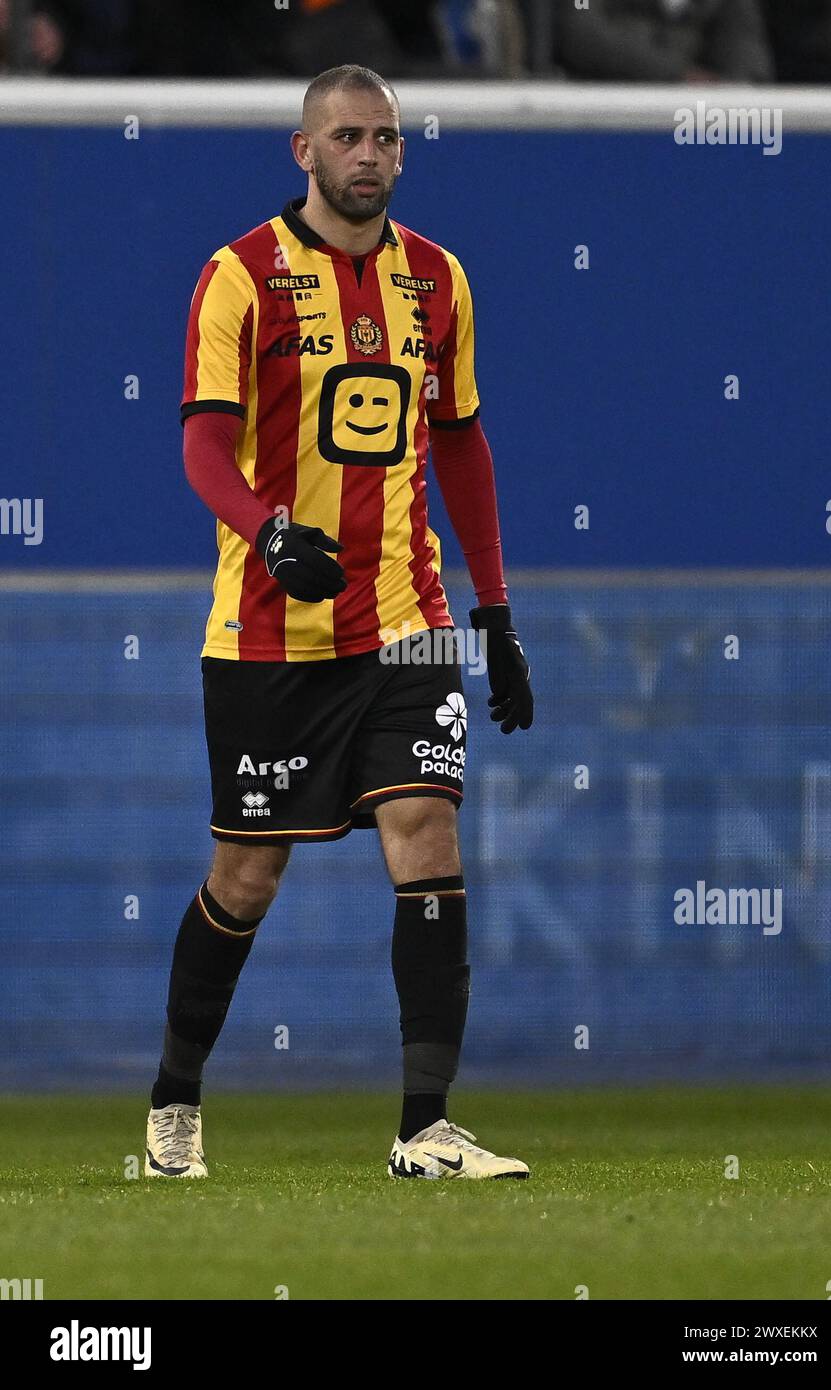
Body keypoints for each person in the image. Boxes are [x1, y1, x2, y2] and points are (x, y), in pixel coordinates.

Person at [145, 64, 533, 1182]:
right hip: (269, 632)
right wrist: (268, 534)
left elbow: (459, 442)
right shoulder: (239, 276)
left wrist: (495, 610)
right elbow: (202, 445)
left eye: (387, 137)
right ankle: (175, 1101)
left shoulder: (440, 280)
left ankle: (424, 1128)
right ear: (304, 152)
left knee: (427, 830)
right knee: (246, 876)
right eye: (349, 136)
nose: (370, 155)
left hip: (410, 619)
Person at [555, 0, 774, 84]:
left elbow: (745, 56)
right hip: (603, 110)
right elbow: (581, 33)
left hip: (693, 123)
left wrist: (732, 89)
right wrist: (678, 75)